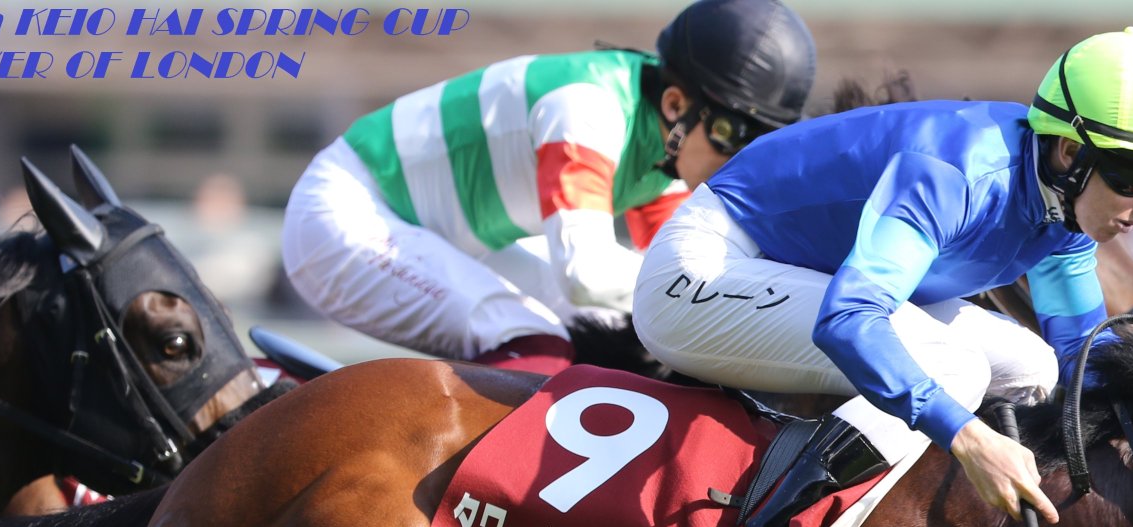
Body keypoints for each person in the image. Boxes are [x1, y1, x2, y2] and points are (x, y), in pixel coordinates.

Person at [634, 26, 1133, 527]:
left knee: (1033, 367)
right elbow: (849, 319)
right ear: (1071, 154)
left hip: (802, 275)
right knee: (953, 368)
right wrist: (969, 439)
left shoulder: (1062, 209)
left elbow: (1079, 357)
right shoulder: (955, 171)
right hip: (704, 268)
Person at [280, 0, 817, 374]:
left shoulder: (668, 151)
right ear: (677, 105)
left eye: (761, 142)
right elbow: (585, 275)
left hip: (446, 236)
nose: (739, 159)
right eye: (732, 134)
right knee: (532, 339)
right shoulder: (587, 108)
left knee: (615, 333)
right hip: (346, 215)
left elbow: (673, 275)